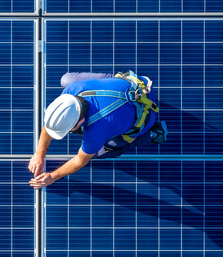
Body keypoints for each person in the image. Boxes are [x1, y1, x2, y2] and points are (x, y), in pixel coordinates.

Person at [29, 71, 167, 189]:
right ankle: (113, 82)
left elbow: (79, 161)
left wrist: (53, 176)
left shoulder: (97, 131)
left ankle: (151, 134)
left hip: (146, 114)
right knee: (66, 79)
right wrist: (39, 154)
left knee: (102, 151)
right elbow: (51, 124)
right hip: (137, 82)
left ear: (82, 121)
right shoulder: (71, 90)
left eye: (69, 129)